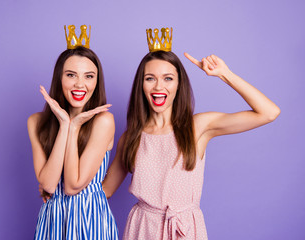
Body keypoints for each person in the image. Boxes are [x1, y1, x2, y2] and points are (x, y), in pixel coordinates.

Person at [102, 27, 280, 239]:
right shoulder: (131, 136)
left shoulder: (198, 126)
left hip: (185, 228)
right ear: (141, 85)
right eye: (150, 78)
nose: (159, 86)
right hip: (143, 228)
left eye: (168, 78)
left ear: (179, 84)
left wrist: (225, 75)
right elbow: (106, 191)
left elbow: (268, 113)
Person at [28, 25, 119, 240]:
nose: (80, 84)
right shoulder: (36, 122)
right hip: (53, 219)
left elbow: (72, 185)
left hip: (90, 219)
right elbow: (49, 184)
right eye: (71, 75)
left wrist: (75, 126)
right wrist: (66, 125)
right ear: (59, 78)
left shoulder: (104, 121)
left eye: (89, 76)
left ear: (97, 82)